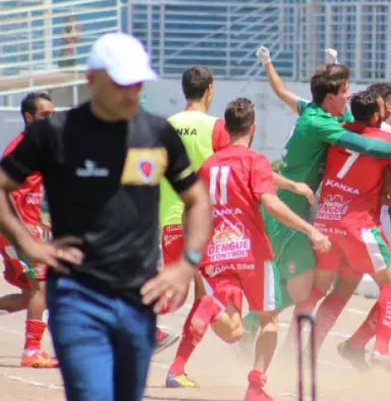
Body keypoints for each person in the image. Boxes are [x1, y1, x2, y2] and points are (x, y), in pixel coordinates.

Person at [0, 32, 213, 401]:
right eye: (120, 83)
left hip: (138, 298)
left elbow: (197, 199)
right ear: (92, 79)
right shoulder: (54, 134)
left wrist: (187, 264)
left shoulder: (157, 132)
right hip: (77, 296)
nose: (131, 93)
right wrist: (26, 242)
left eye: (137, 83)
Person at [240, 46, 391, 350]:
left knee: (311, 286)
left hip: (307, 211)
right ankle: (248, 328)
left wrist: (329, 64)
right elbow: (366, 145)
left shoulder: (317, 110)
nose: (349, 94)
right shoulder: (319, 123)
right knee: (301, 288)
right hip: (287, 211)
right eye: (345, 90)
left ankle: (266, 335)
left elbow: (285, 93)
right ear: (329, 97)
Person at [191, 97, 330, 401]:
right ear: (253, 128)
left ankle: (211, 307)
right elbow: (268, 199)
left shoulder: (208, 166)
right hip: (252, 253)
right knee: (268, 319)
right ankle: (256, 385)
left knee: (234, 331)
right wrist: (309, 229)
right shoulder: (255, 161)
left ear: (225, 129)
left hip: (217, 253)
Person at [310, 90, 391, 374]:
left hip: (326, 221)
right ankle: (380, 349)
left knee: (336, 290)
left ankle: (308, 352)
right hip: (360, 225)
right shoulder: (387, 139)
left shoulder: (339, 130)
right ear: (378, 112)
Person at [336, 81, 391, 358]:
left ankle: (353, 345)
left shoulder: (356, 130)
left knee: (337, 289)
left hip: (348, 217)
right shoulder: (386, 135)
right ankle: (367, 347)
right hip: (372, 221)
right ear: (384, 105)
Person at [160, 66, 233, 387]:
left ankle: (177, 367)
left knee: (193, 297)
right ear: (210, 90)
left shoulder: (167, 126)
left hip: (169, 221)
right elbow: (232, 168)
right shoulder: (216, 127)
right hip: (204, 222)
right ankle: (175, 368)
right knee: (211, 296)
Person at [0, 92, 57, 368]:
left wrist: (40, 219)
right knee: (42, 290)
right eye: (45, 116)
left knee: (29, 295)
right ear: (28, 117)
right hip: (15, 229)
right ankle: (32, 351)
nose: (50, 121)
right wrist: (20, 225)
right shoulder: (19, 147)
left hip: (27, 225)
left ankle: (34, 349)